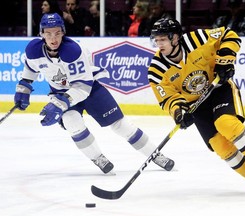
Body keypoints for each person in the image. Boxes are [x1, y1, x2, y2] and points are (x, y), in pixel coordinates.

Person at [13, 13, 175, 174]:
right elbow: (31, 68)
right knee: (71, 122)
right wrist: (24, 87)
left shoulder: (73, 50)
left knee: (120, 125)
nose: (53, 38)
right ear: (41, 34)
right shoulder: (33, 50)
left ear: (63, 32)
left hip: (89, 90)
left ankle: (155, 154)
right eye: (48, 33)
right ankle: (97, 157)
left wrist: (58, 104)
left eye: (57, 32)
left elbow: (82, 87)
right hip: (61, 93)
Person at [148, 18, 245, 194]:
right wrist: (179, 112)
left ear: (175, 38)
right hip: (196, 106)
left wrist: (225, 60)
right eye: (156, 40)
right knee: (219, 144)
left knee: (225, 123)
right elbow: (167, 98)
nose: (159, 44)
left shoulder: (196, 39)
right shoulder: (156, 69)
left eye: (163, 39)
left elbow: (229, 35)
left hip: (218, 89)